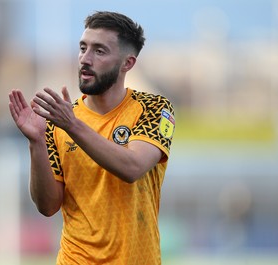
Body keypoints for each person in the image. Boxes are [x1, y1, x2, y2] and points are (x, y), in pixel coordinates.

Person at [9, 11, 175, 265]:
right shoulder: (59, 121)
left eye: (99, 51)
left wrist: (72, 125)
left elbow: (132, 167)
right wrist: (37, 142)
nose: (85, 59)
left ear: (127, 63)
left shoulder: (154, 108)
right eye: (82, 48)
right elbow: (47, 206)